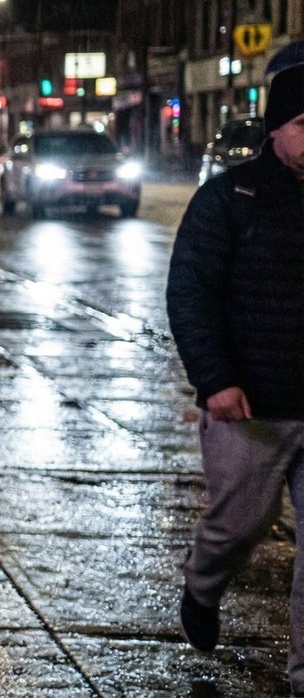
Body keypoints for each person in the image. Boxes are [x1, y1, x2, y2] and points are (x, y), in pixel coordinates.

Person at [167, 63, 304, 694]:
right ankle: (203, 582)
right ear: (276, 129)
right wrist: (215, 379)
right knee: (239, 525)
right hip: (251, 403)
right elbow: (191, 293)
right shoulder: (230, 197)